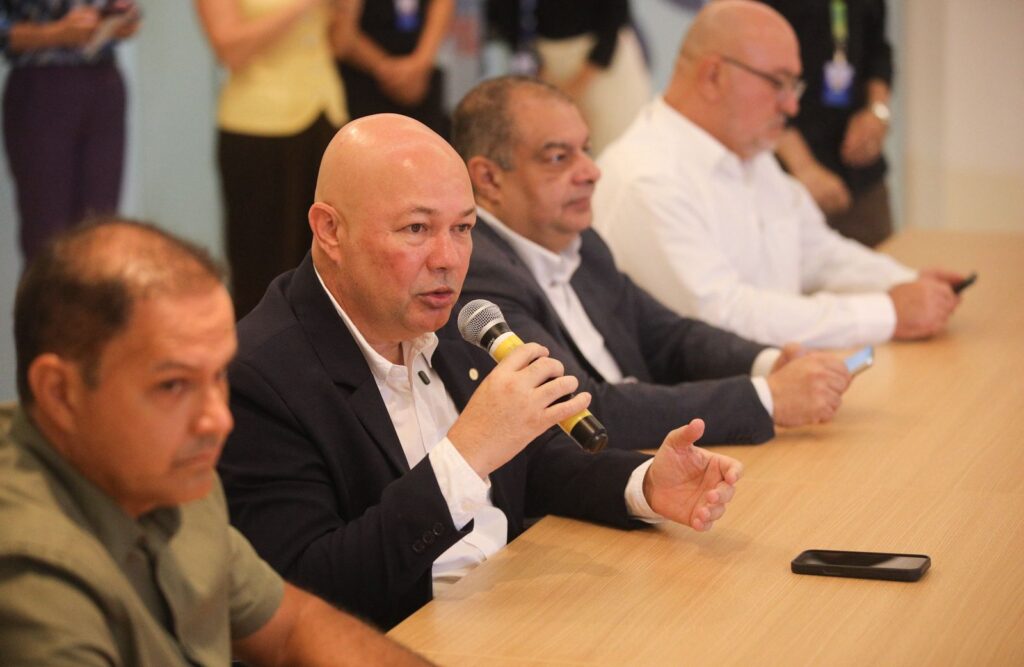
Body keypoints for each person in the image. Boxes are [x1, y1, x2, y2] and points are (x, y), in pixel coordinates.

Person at [218, 113, 744, 630]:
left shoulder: (448, 316)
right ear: (330, 230)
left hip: (515, 607)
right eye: (417, 228)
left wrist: (644, 484)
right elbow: (307, 594)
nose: (448, 259)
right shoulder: (258, 377)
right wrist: (468, 453)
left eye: (463, 228)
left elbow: (532, 464)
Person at [0, 219, 427, 665]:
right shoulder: (29, 574)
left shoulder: (167, 476)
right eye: (173, 386)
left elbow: (292, 626)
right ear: (60, 394)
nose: (218, 420)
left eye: (219, 375)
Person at [452, 75, 851, 450]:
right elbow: (581, 411)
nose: (591, 172)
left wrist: (768, 362)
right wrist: (768, 397)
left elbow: (668, 337)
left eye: (586, 150)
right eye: (558, 157)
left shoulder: (582, 243)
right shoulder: (478, 274)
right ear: (488, 179)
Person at [593, 0, 965, 349]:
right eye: (778, 83)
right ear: (713, 76)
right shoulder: (648, 178)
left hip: (774, 379)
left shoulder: (748, 153)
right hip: (714, 395)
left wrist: (905, 281)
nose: (791, 105)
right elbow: (724, 318)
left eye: (794, 85)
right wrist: (887, 313)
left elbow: (816, 253)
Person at [195, 0, 360, 318]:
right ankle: (256, 347)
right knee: (261, 264)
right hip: (258, 124)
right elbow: (230, 50)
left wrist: (348, 8)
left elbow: (340, 44)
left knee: (329, 257)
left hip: (327, 114)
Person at [1, 0, 140, 262]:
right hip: (40, 83)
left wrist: (120, 17)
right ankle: (47, 291)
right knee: (46, 233)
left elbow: (127, 15)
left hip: (103, 80)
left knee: (101, 227)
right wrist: (55, 33)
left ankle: (97, 289)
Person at [765, 0, 896, 247]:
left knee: (879, 260)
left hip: (858, 167)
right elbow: (756, 81)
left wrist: (876, 112)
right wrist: (802, 166)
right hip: (785, 166)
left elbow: (878, 50)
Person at [486, 0, 651, 154]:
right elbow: (504, 14)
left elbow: (614, 15)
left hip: (605, 61)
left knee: (621, 146)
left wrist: (578, 85)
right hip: (544, 62)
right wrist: (542, 75)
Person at [338, 0, 453, 137]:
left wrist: (421, 62)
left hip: (421, 79)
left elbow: (441, 4)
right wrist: (384, 68)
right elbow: (341, 33)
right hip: (363, 80)